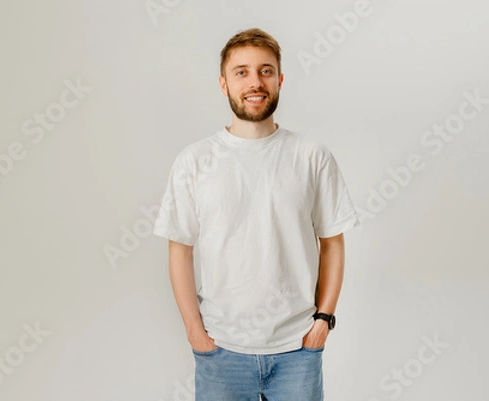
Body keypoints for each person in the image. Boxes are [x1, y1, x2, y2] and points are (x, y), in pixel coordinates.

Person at [152, 27, 362, 401]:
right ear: (223, 83)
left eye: (266, 71)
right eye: (242, 71)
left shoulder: (311, 156)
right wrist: (194, 332)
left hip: (298, 350)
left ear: (280, 80)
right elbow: (179, 249)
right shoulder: (195, 161)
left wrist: (323, 322)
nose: (255, 82)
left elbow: (332, 241)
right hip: (221, 351)